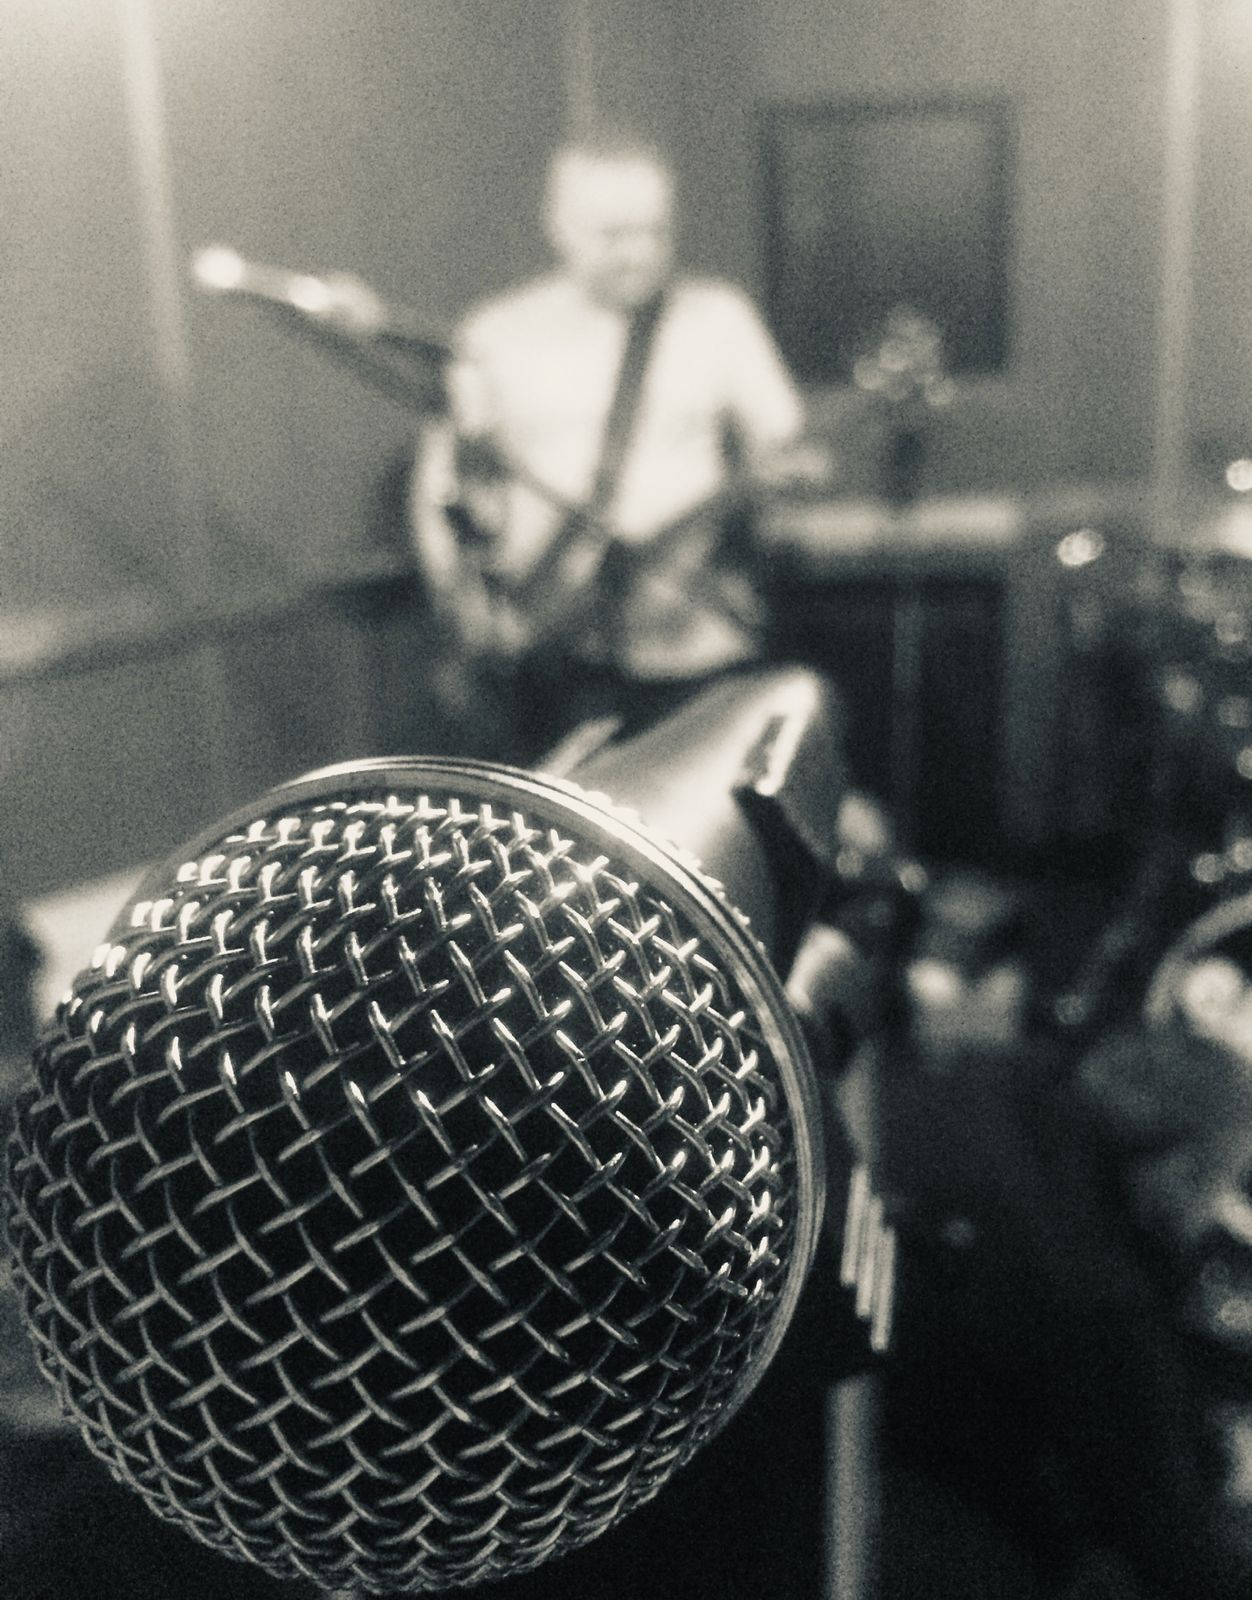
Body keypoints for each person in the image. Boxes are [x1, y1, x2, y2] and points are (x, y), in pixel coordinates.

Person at [408, 134, 832, 765]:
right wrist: (463, 608)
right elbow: (442, 489)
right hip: (547, 651)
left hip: (689, 643)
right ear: (559, 226)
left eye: (655, 231)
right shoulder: (496, 334)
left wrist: (789, 483)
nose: (639, 254)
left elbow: (792, 452)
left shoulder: (717, 320)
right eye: (612, 235)